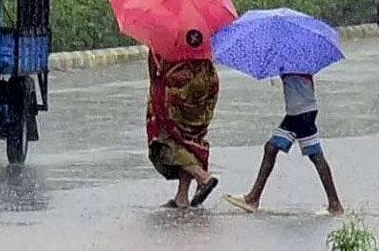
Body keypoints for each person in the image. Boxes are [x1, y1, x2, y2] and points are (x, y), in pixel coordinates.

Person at [223, 72, 343, 215]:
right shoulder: (297, 62)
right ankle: (334, 203)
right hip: (301, 111)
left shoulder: (296, 64)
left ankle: (253, 198)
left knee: (277, 149)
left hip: (300, 114)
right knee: (278, 149)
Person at [147, 49, 220, 209]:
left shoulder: (165, 36)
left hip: (178, 86)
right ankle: (182, 197)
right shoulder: (205, 30)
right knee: (189, 141)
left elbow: (155, 70)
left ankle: (202, 176)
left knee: (166, 140)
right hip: (206, 82)